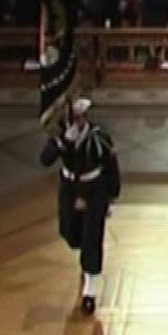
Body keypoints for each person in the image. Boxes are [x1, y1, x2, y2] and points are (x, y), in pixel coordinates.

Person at [37, 97, 121, 314]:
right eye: (75, 117)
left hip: (94, 189)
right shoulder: (61, 136)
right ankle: (84, 253)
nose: (79, 121)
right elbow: (45, 160)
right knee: (69, 232)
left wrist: (112, 196)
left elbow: (111, 166)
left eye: (82, 116)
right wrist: (63, 142)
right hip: (70, 189)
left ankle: (90, 290)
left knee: (92, 237)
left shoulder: (99, 137)